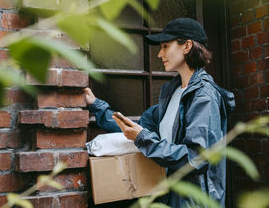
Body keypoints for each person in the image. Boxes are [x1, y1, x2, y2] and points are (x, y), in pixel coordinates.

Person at [84, 17, 235, 207]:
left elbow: (197, 158)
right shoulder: (173, 93)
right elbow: (137, 128)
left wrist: (144, 139)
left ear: (187, 46)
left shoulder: (204, 96)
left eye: (165, 46)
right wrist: (96, 104)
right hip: (169, 195)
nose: (159, 54)